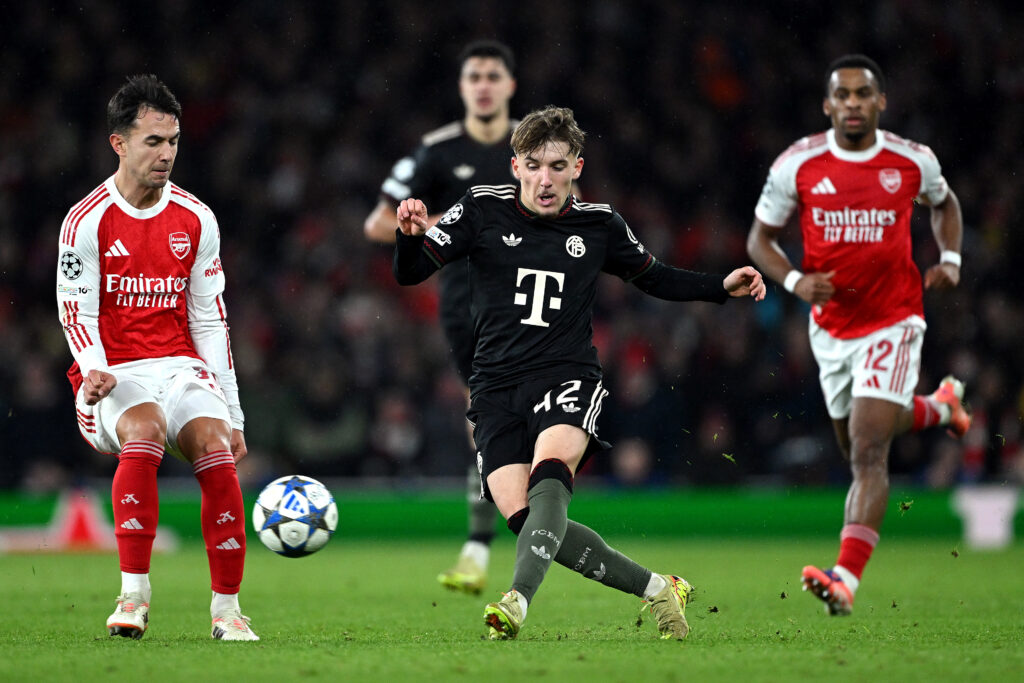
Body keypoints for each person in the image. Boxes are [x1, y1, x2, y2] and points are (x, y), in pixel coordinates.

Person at [393, 105, 766, 640]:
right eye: (535, 165)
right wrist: (408, 235)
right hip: (494, 388)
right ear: (516, 166)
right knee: (529, 525)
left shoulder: (599, 224)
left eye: (558, 165)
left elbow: (653, 277)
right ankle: (660, 588)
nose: (546, 179)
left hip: (565, 375)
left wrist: (718, 287)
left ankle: (516, 601)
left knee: (550, 475)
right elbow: (411, 273)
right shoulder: (479, 208)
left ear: (577, 168)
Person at [746, 54, 971, 616]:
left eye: (862, 94)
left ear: (880, 102)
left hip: (894, 318)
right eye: (841, 95)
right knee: (856, 445)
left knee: (870, 451)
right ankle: (941, 409)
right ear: (827, 105)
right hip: (831, 329)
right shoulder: (797, 164)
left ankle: (844, 578)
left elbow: (946, 204)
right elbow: (759, 241)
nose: (852, 103)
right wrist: (795, 281)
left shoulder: (910, 160)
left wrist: (951, 257)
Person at [56, 74, 258, 641]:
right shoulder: (86, 220)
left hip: (176, 364)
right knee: (143, 430)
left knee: (218, 448)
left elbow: (210, 320)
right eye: (153, 141)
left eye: (173, 141)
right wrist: (94, 365)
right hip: (110, 372)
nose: (166, 153)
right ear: (118, 143)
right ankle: (133, 597)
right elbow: (75, 309)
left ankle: (227, 611)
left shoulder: (196, 218)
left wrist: (234, 413)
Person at [364, 39, 518, 595]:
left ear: (509, 86)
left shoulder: (531, 144)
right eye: (472, 75)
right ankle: (485, 545)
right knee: (490, 421)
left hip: (536, 299)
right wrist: (430, 228)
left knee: (515, 423)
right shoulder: (435, 152)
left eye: (492, 75)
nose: (482, 84)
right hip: (468, 310)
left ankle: (503, 538)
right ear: (462, 87)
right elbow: (377, 223)